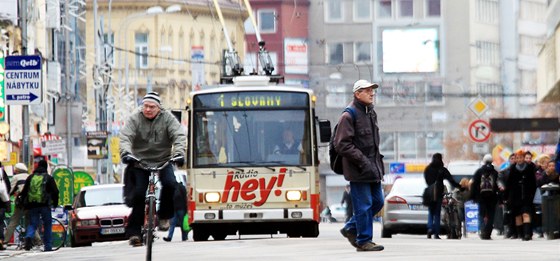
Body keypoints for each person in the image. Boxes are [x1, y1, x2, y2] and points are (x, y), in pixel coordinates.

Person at [120, 92, 187, 247]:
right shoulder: (135, 118)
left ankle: (164, 216)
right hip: (139, 161)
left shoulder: (168, 118)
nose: (148, 109)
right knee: (138, 194)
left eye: (152, 107)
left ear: (159, 108)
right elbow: (125, 137)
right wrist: (126, 153)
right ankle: (134, 232)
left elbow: (178, 136)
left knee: (170, 184)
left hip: (163, 160)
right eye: (145, 106)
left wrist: (179, 154)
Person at [334, 79, 385, 252]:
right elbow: (342, 144)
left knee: (378, 202)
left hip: (373, 169)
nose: (372, 93)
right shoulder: (349, 115)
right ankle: (364, 241)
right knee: (364, 206)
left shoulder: (370, 113)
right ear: (357, 94)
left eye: (373, 90)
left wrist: (377, 165)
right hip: (358, 170)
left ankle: (350, 227)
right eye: (367, 90)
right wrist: (363, 161)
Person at [19, 160, 59, 251]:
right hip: (45, 205)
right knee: (47, 225)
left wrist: (23, 203)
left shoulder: (30, 177)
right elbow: (55, 192)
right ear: (45, 167)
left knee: (33, 224)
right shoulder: (49, 178)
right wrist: (55, 203)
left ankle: (29, 236)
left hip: (32, 205)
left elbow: (24, 191)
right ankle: (48, 246)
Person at [423, 153, 462, 239]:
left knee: (431, 212)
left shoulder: (428, 169)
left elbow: (426, 180)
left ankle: (430, 228)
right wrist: (460, 187)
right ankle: (436, 233)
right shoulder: (442, 169)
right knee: (437, 214)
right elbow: (451, 180)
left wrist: (431, 186)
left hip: (429, 193)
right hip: (439, 194)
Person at [4, 163, 40, 248]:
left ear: (17, 170)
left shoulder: (16, 177)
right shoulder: (29, 176)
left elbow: (11, 190)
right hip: (31, 203)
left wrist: (8, 197)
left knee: (13, 221)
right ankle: (38, 240)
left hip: (21, 203)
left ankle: (5, 241)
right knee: (30, 222)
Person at [504, 150, 537, 241]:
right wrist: (506, 196)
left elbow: (534, 183)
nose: (519, 159)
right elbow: (509, 184)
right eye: (517, 158)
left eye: (521, 157)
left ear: (524, 158)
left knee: (526, 214)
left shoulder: (529, 168)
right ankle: (520, 233)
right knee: (518, 216)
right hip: (515, 197)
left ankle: (527, 234)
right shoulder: (513, 169)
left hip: (527, 196)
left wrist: (531, 195)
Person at [471, 154, 499, 240]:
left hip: (481, 197)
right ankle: (488, 233)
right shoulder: (495, 172)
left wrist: (473, 197)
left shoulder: (479, 171)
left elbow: (474, 185)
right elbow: (498, 186)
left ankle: (482, 231)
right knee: (491, 215)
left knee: (481, 214)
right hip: (492, 197)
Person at [498, 153, 516, 238]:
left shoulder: (521, 169)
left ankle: (516, 231)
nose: (514, 160)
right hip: (509, 196)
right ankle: (510, 231)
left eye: (515, 158)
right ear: (509, 160)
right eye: (512, 158)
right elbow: (500, 180)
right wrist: (502, 187)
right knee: (509, 213)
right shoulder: (505, 171)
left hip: (518, 195)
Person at [0, 162, 10, 250]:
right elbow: (7, 186)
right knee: (0, 223)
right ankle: (0, 241)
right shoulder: (2, 173)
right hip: (1, 202)